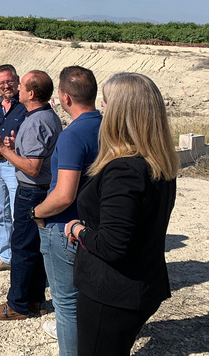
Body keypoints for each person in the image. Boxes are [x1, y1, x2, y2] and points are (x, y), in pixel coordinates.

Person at [65, 73, 178, 356]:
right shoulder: (159, 161)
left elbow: (111, 245)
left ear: (118, 112)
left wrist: (78, 229)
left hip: (112, 291)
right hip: (140, 283)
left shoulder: (124, 170)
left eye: (106, 103)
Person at [0, 70, 62, 320]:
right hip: (40, 190)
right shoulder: (46, 116)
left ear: (31, 93)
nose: (17, 88)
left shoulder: (37, 121)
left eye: (22, 85)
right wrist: (15, 148)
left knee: (23, 247)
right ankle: (35, 301)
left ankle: (17, 305)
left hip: (31, 191)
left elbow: (32, 168)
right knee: (35, 247)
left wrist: (2, 148)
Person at [32, 67, 101, 355]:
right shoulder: (108, 126)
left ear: (64, 97)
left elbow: (63, 194)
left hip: (65, 228)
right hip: (94, 225)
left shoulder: (73, 135)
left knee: (66, 304)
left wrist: (37, 212)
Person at [0, 64, 27, 272]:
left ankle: (23, 258)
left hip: (16, 165)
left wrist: (14, 146)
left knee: (19, 213)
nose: (7, 86)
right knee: (0, 212)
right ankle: (6, 256)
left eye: (10, 81)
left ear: (18, 80)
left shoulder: (27, 105)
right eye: (2, 83)